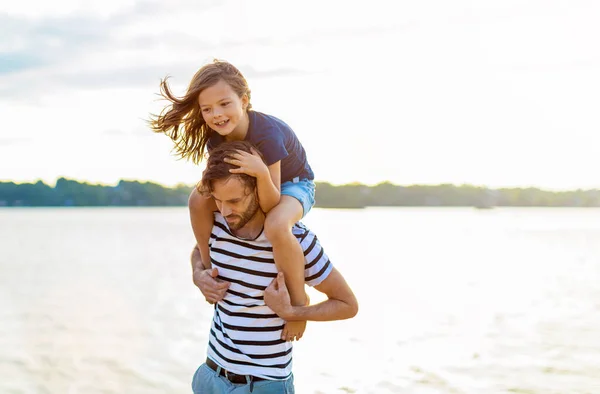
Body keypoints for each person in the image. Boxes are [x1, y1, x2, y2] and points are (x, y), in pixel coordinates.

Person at [150, 59, 314, 341]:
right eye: (207, 109)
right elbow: (217, 191)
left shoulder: (266, 135)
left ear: (244, 100)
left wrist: (261, 172)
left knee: (275, 223)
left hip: (294, 186)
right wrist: (199, 268)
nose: (217, 114)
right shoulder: (216, 141)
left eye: (225, 104)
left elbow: (272, 201)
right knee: (197, 199)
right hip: (253, 184)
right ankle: (209, 267)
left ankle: (298, 305)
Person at [190, 141, 358, 393]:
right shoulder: (217, 225)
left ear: (258, 189)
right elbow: (198, 252)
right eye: (218, 201)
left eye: (234, 201)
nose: (225, 211)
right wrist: (197, 274)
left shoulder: (295, 240)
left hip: (263, 385)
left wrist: (294, 313)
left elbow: (347, 305)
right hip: (211, 376)